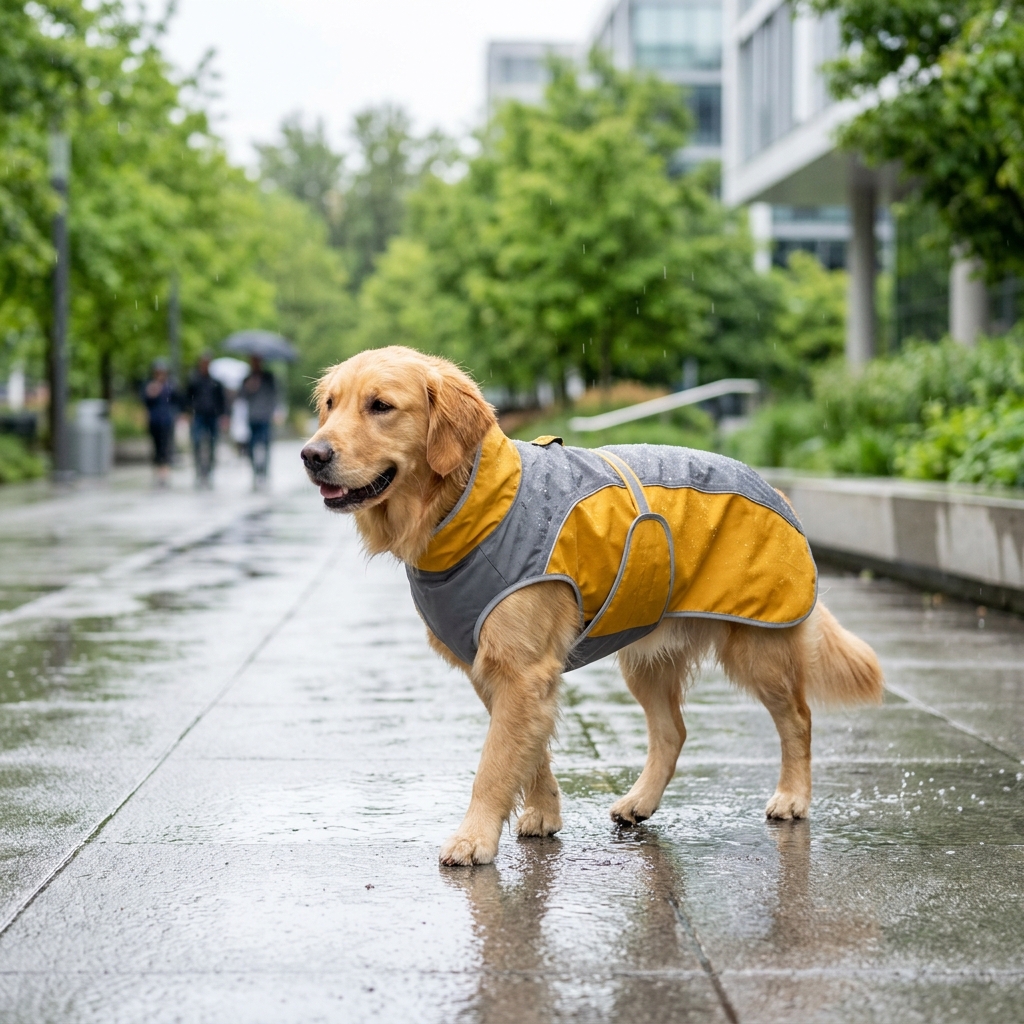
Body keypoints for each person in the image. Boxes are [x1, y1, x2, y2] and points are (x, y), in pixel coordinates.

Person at [184, 352, 226, 488]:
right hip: (198, 415)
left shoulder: (215, 382)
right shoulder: (194, 380)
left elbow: (222, 401)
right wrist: (187, 412)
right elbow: (187, 398)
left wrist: (224, 415)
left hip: (212, 416)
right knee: (197, 442)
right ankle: (199, 471)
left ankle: (210, 471)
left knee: (213, 444)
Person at [142, 359, 179, 487]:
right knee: (156, 447)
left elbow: (177, 401)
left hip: (166, 421)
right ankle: (158, 471)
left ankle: (164, 472)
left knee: (165, 447)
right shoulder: (149, 386)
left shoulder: (170, 386)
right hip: (154, 421)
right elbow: (145, 402)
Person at [241, 355, 276, 486]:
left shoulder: (268, 377)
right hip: (252, 417)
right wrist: (249, 387)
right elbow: (242, 396)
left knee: (266, 445)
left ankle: (264, 472)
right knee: (251, 446)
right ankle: (255, 471)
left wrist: (274, 411)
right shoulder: (247, 378)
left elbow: (274, 394)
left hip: (265, 416)